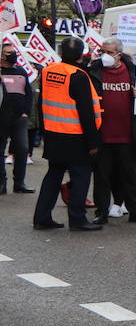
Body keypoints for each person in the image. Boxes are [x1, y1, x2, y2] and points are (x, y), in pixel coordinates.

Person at [32, 37, 102, 231]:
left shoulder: (47, 71)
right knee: (80, 177)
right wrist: (93, 141)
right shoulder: (78, 76)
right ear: (82, 55)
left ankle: (41, 217)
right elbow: (86, 112)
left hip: (54, 134)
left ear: (61, 53)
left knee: (53, 175)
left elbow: (41, 104)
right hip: (75, 135)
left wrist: (44, 131)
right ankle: (77, 219)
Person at [87, 38, 136, 224]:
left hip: (127, 134)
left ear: (119, 55)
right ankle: (102, 212)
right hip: (102, 135)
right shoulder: (95, 70)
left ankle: (135, 211)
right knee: (102, 177)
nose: (104, 55)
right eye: (102, 51)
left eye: (109, 52)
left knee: (130, 176)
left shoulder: (133, 71)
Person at [0, 39, 34, 193]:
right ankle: (2, 183)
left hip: (19, 118)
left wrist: (26, 111)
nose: (12, 55)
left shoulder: (21, 71)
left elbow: (28, 93)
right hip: (1, 118)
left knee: (22, 149)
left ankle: (19, 183)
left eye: (13, 52)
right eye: (8, 53)